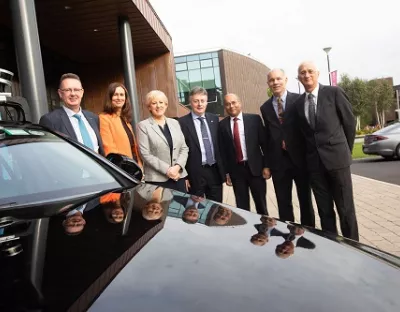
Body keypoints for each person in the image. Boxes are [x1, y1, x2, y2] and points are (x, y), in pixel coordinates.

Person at [294, 61, 359, 241]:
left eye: (310, 71)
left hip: (338, 162)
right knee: (325, 212)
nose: (306, 75)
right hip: (315, 166)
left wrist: (345, 151)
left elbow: (349, 124)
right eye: (302, 73)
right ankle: (332, 248)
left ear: (317, 73)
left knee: (346, 210)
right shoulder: (299, 104)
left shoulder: (334, 93)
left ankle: (353, 247)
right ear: (298, 78)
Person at [260, 69, 315, 227]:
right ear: (268, 84)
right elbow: (268, 137)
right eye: (271, 80)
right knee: (283, 202)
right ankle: (288, 233)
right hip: (279, 163)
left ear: (286, 80)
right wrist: (268, 164)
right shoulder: (265, 108)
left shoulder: (299, 100)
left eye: (278, 79)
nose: (275, 82)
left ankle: (308, 233)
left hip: (299, 160)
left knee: (305, 201)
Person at [219, 93, 268, 215]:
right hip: (236, 172)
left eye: (234, 102)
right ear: (225, 107)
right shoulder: (222, 125)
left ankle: (264, 231)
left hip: (256, 170)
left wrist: (267, 166)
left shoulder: (254, 119)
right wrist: (226, 173)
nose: (231, 106)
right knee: (242, 207)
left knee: (261, 204)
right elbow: (223, 151)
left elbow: (265, 144)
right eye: (227, 104)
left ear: (240, 103)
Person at [178, 87, 225, 202]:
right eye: (196, 101)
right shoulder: (182, 122)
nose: (199, 104)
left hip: (214, 172)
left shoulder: (214, 119)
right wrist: (184, 176)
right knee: (195, 208)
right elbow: (179, 149)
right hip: (194, 173)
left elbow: (220, 146)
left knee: (216, 207)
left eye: (202, 101)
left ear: (206, 101)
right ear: (190, 102)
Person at [39, 73, 104, 155]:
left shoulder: (93, 118)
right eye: (68, 90)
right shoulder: (50, 120)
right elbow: (47, 154)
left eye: (76, 90)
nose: (73, 94)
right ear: (60, 93)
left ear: (82, 92)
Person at [137, 90, 188, 192]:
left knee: (180, 207)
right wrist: (168, 170)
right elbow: (145, 154)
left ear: (166, 105)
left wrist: (177, 167)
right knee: (161, 208)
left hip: (178, 176)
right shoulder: (143, 126)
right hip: (157, 181)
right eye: (154, 103)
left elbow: (184, 148)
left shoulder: (175, 123)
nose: (158, 106)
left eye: (161, 102)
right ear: (149, 107)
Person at [99, 82, 142, 167]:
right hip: (121, 168)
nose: (119, 98)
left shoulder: (125, 120)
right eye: (115, 95)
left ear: (125, 98)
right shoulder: (104, 118)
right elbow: (109, 149)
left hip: (134, 167)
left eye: (122, 95)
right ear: (110, 97)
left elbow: (133, 147)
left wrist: (139, 164)